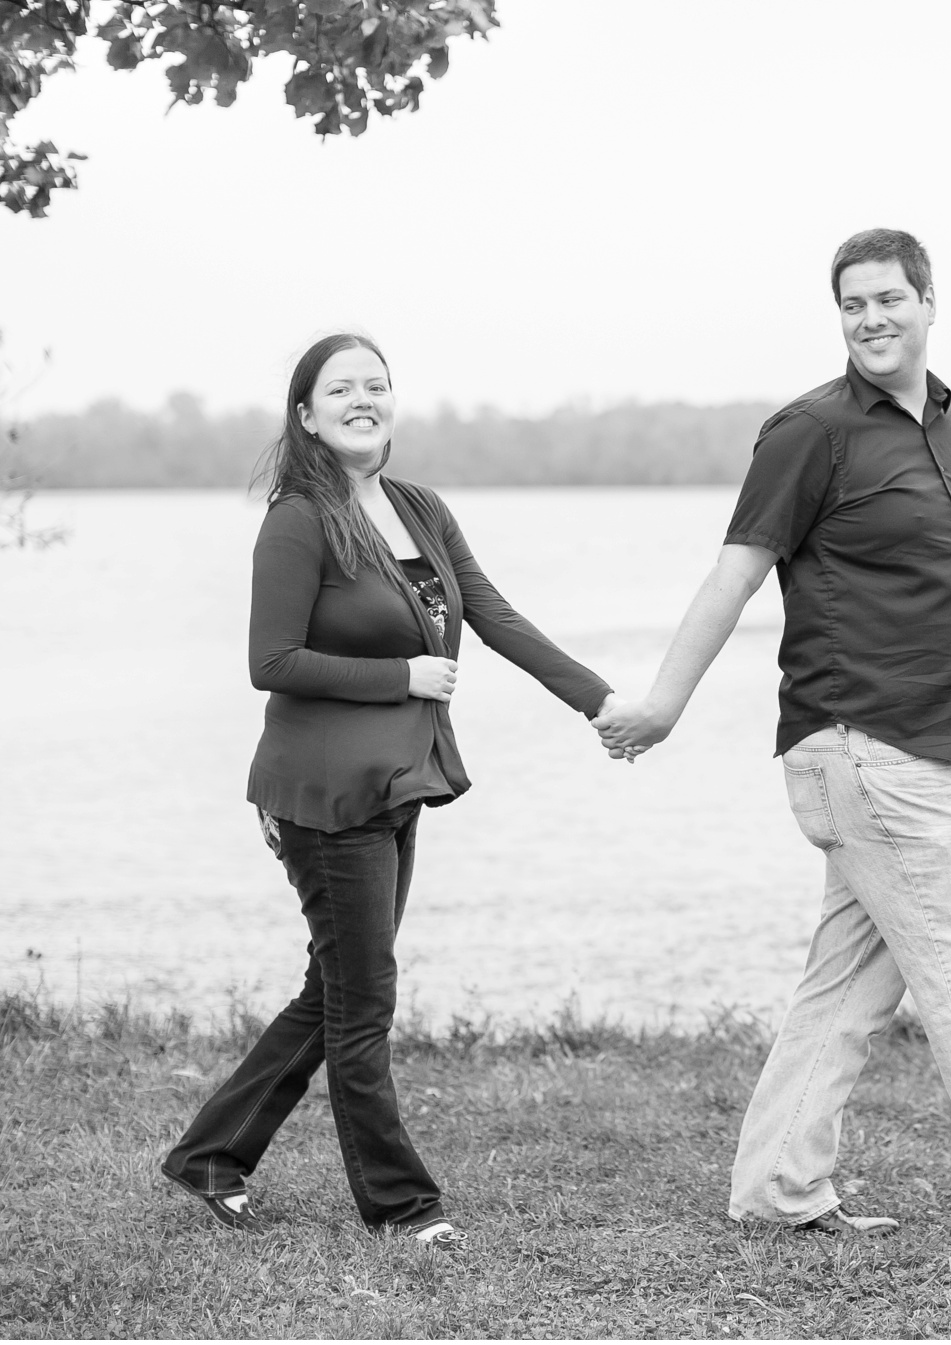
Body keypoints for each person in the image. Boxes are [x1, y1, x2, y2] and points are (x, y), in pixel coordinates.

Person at [594, 229, 951, 1238]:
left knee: (846, 988)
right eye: (851, 303)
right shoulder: (809, 432)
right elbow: (734, 570)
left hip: (930, 748)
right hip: (864, 746)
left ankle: (775, 1187)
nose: (870, 318)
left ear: (928, 302)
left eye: (888, 298)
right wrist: (664, 705)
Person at [162, 333, 618, 1247]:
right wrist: (402, 676)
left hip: (397, 780)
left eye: (377, 384)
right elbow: (271, 660)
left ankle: (209, 1153)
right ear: (306, 413)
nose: (362, 399)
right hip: (325, 794)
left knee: (335, 987)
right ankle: (403, 1207)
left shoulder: (418, 507)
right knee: (364, 1000)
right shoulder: (298, 519)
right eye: (341, 389)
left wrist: (602, 702)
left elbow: (494, 615)